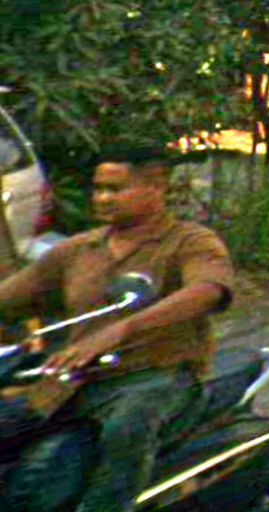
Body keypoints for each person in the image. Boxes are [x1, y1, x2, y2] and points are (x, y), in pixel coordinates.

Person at [0, 146, 235, 511]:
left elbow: (207, 290)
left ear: (156, 187)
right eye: (98, 189)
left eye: (115, 189)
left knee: (127, 428)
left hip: (156, 377)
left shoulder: (190, 241)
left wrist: (118, 331)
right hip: (73, 380)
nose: (103, 198)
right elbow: (10, 297)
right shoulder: (78, 250)